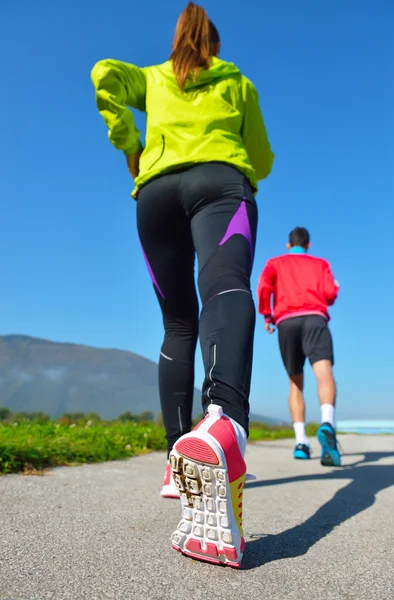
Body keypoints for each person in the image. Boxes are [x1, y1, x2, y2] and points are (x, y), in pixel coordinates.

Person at [91, 2, 274, 568]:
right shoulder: (236, 81)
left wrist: (131, 146)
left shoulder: (152, 78)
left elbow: (102, 74)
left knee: (176, 322)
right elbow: (262, 161)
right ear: (214, 43)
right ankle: (223, 421)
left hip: (154, 197)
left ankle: (177, 455)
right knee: (223, 285)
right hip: (219, 185)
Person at [257, 227, 341, 466]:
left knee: (296, 382)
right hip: (315, 318)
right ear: (308, 245)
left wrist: (266, 315)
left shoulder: (275, 262)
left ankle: (301, 442)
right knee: (324, 373)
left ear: (288, 244)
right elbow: (330, 293)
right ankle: (327, 422)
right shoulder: (320, 264)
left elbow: (264, 287)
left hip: (286, 322)